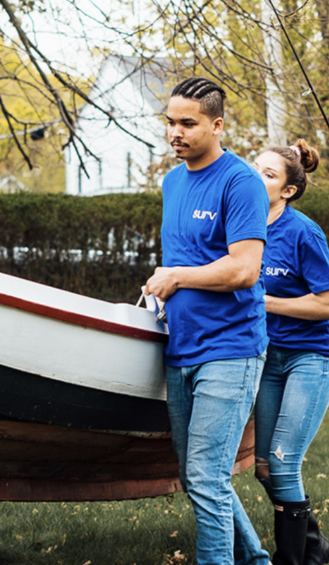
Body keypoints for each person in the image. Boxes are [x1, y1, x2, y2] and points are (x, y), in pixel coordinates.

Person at [143, 77, 270, 565]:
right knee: (200, 473)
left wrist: (177, 277)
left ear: (217, 125)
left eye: (187, 123)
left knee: (205, 475)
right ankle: (256, 559)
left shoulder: (240, 182)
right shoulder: (172, 182)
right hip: (181, 349)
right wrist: (164, 282)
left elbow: (244, 269)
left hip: (231, 348)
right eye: (170, 122)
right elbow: (186, 260)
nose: (175, 132)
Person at [251, 141, 329, 565]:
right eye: (255, 169)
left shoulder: (303, 231)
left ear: (288, 190)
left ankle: (292, 561)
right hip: (269, 358)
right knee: (265, 468)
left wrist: (266, 303)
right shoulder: (240, 227)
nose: (256, 177)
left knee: (285, 465)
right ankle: (313, 545)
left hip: (313, 355)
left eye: (269, 174)